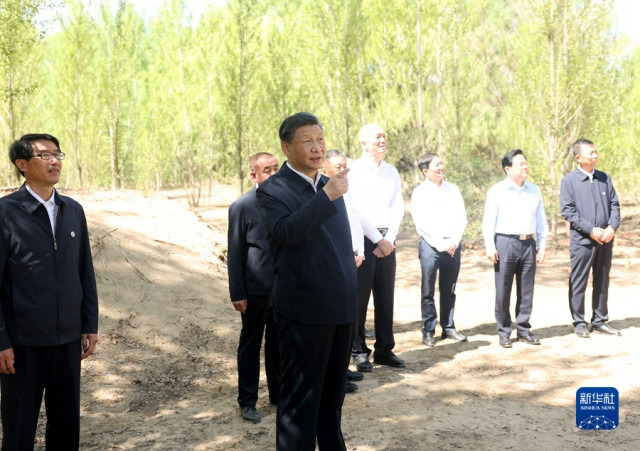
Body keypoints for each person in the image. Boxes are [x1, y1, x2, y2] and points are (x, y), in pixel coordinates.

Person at [256, 113, 357, 450]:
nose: (317, 147)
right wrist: (326, 196)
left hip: (340, 310)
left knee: (332, 402)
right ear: (286, 147)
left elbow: (340, 248)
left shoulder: (329, 186)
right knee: (300, 404)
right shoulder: (274, 189)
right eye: (306, 140)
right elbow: (287, 232)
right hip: (303, 314)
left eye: (320, 139)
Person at [0, 133, 99, 450]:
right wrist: (1, 340)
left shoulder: (73, 210)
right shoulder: (6, 213)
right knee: (19, 430)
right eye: (44, 155)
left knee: (66, 426)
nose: (54, 160)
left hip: (67, 340)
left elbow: (84, 271)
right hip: (22, 343)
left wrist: (89, 324)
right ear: (22, 165)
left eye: (57, 154)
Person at [227, 152, 281, 424]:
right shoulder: (242, 206)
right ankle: (247, 401)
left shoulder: (285, 201)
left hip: (282, 287)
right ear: (254, 175)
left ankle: (278, 394)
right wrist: (237, 292)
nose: (272, 173)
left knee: (278, 343)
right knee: (250, 345)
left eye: (275, 168)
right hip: (255, 289)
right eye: (266, 170)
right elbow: (235, 252)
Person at [348, 123, 405, 371]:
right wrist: (377, 239)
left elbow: (398, 205)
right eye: (378, 137)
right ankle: (359, 351)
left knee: (385, 298)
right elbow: (355, 209)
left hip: (387, 241)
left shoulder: (391, 171)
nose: (383, 140)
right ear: (364, 143)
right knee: (359, 300)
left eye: (385, 136)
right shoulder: (354, 171)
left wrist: (389, 239)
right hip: (364, 241)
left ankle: (384, 349)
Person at [321, 150, 376, 393]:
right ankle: (334, 378)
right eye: (339, 167)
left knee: (348, 317)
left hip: (353, 260)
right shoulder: (323, 196)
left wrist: (359, 250)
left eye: (346, 166)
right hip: (334, 267)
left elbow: (356, 224)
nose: (345, 170)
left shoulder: (347, 193)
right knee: (332, 320)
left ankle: (342, 370)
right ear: (325, 170)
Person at [482, 149, 548, 348]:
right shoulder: (497, 190)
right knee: (503, 288)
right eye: (520, 164)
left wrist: (542, 244)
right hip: (505, 242)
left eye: (526, 163)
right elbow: (488, 221)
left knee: (526, 289)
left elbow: (541, 220)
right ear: (508, 169)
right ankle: (504, 331)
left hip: (528, 243)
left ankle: (524, 329)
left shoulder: (534, 190)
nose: (525, 166)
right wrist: (490, 246)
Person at [560, 139, 621, 338]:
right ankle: (579, 321)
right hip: (583, 241)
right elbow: (568, 211)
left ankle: (600, 320)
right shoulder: (569, 181)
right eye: (591, 153)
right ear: (578, 158)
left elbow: (615, 205)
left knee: (602, 280)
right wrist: (590, 230)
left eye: (596, 152)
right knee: (579, 281)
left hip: (605, 239)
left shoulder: (605, 178)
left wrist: (611, 227)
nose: (595, 155)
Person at [410, 153, 467, 347]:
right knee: (428, 290)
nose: (441, 167)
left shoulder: (453, 189)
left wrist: (454, 241)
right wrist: (440, 243)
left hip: (453, 245)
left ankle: (448, 327)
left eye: (442, 163)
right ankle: (428, 330)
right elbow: (421, 223)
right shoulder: (419, 192)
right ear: (426, 171)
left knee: (449, 289)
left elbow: (462, 217)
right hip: (430, 245)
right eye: (437, 164)